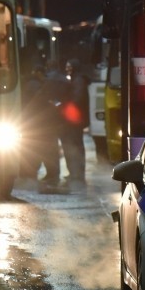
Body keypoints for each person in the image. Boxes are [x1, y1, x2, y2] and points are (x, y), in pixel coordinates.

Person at [21, 64, 63, 192]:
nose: (44, 77)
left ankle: (32, 173)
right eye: (43, 74)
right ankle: (48, 174)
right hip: (41, 124)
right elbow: (41, 100)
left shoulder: (30, 84)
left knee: (35, 149)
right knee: (46, 149)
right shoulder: (35, 85)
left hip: (35, 123)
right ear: (38, 73)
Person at [59, 58, 89, 192]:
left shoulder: (78, 81)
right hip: (76, 120)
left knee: (75, 146)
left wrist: (63, 106)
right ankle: (76, 174)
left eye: (69, 67)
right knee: (76, 146)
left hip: (74, 121)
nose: (67, 69)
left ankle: (77, 175)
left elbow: (76, 100)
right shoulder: (78, 80)